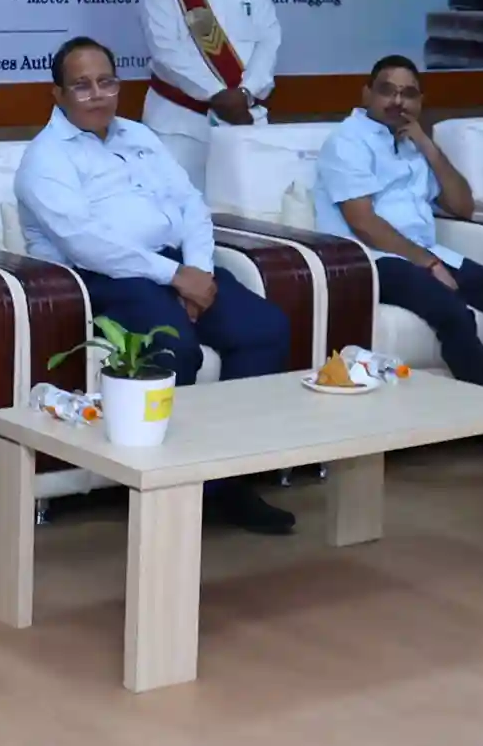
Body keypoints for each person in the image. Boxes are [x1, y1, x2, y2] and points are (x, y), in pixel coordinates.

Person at [17, 37, 296, 534]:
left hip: (177, 267)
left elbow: (191, 205)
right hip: (105, 279)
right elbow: (86, 244)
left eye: (106, 82)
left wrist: (199, 271)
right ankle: (164, 494)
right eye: (82, 86)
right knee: (175, 348)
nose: (97, 94)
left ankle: (227, 484)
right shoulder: (46, 158)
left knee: (265, 329)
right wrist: (176, 278)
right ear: (57, 94)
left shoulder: (139, 135)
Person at [316, 55, 483, 494]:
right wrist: (427, 263)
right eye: (387, 90)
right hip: (374, 260)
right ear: (366, 94)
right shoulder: (347, 142)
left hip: (431, 253)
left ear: (420, 102)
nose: (397, 101)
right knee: (453, 312)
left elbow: (463, 207)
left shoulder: (412, 143)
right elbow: (363, 222)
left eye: (408, 94)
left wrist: (428, 146)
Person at [139, 0, 282, 191]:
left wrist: (245, 93)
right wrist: (218, 94)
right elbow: (166, 51)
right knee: (177, 210)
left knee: (247, 208)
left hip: (243, 121)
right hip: (180, 127)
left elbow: (268, 41)